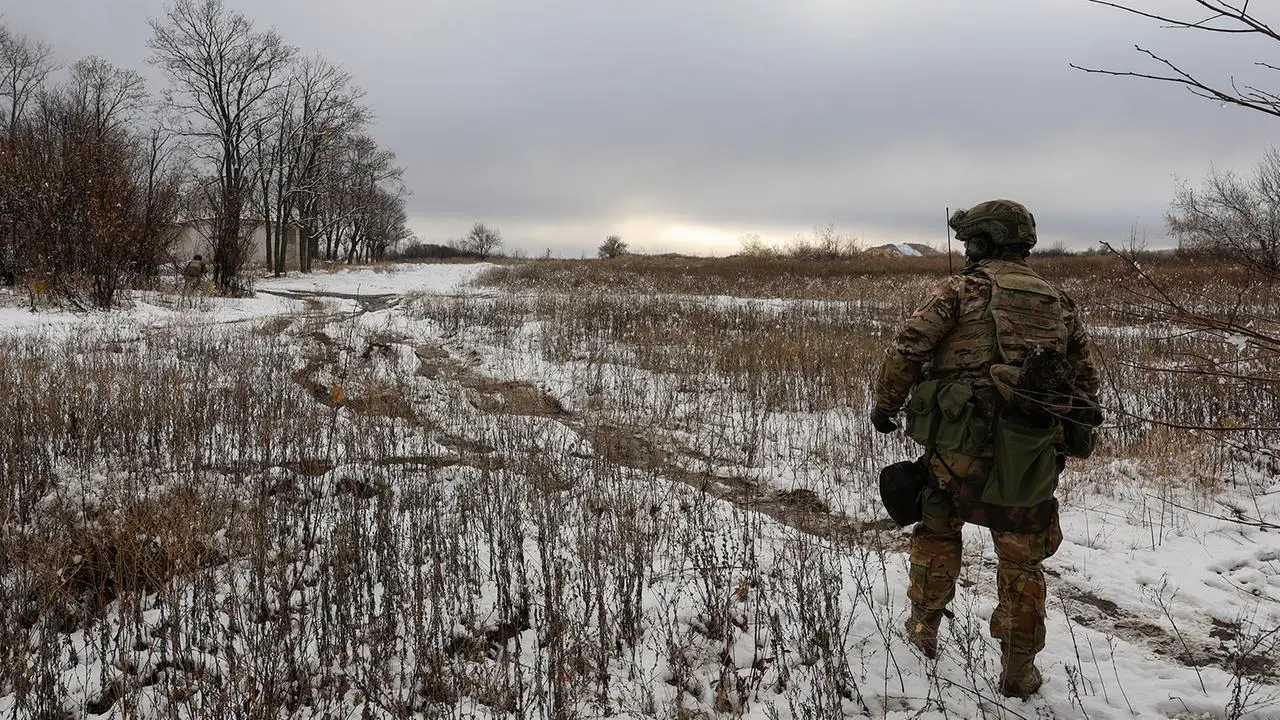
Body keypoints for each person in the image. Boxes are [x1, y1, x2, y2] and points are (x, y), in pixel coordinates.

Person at [871, 199, 1102, 698]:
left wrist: (885, 406)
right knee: (1022, 560)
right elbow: (1085, 381)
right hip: (1030, 452)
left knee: (937, 531)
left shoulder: (962, 289)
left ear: (982, 241)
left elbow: (908, 348)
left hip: (958, 447)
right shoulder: (1058, 300)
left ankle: (922, 628)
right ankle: (1018, 671)